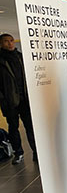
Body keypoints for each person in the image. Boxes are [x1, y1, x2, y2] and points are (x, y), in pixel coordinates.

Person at [0, 33, 37, 164]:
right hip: (10, 102)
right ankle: (18, 153)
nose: (10, 44)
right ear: (1, 44)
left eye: (11, 41)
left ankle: (36, 152)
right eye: (6, 41)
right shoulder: (1, 61)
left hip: (25, 100)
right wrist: (3, 101)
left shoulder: (21, 57)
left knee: (30, 127)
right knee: (13, 128)